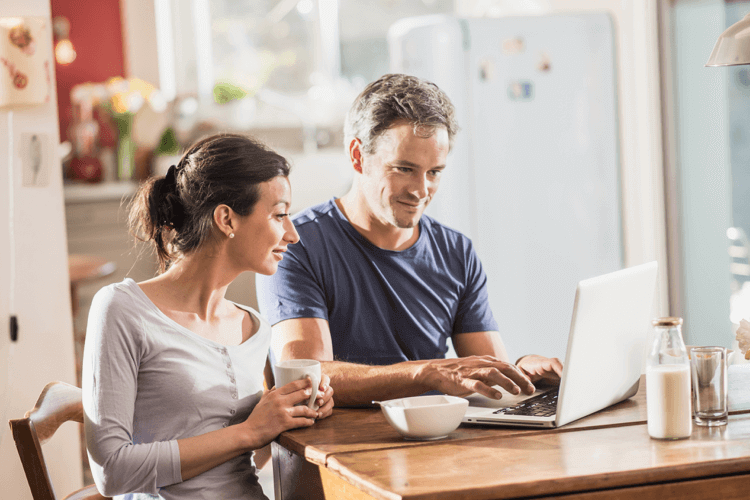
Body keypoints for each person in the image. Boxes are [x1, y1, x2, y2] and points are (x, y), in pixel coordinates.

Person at [256, 74, 562, 407]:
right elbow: (306, 380)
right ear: (358, 155)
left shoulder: (456, 252)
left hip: (438, 444)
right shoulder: (295, 244)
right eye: (404, 169)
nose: (421, 190)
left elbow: (485, 374)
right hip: (341, 450)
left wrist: (521, 372)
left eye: (434, 172)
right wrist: (426, 374)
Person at [82, 133, 334, 499]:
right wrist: (249, 431)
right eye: (279, 215)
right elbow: (113, 472)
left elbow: (250, 457)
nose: (292, 234)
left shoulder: (252, 327)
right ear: (226, 219)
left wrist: (291, 415)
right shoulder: (123, 310)